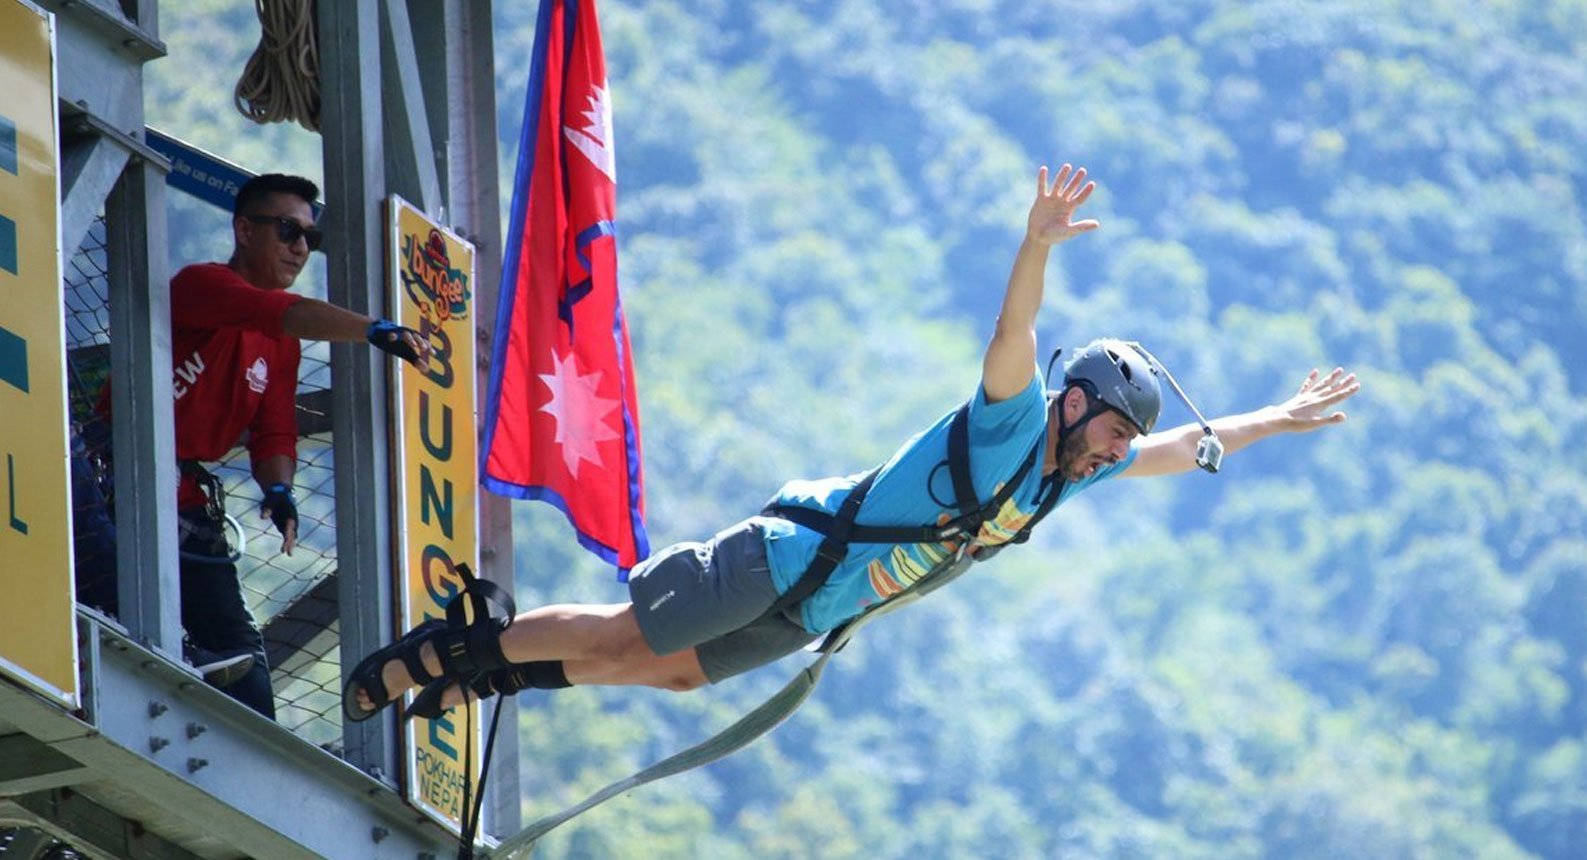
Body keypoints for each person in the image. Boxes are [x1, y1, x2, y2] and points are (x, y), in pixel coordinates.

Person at [344, 164, 1360, 719]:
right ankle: (438, 651)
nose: (1116, 446)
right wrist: (1032, 246)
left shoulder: (1065, 481)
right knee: (627, 634)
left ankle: (493, 671)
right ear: (1073, 399)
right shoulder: (1010, 422)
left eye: (1120, 438)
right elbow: (1010, 337)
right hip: (796, 553)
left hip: (816, 608)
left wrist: (1278, 413)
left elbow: (1190, 442)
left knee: (671, 672)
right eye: (1109, 424)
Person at [75, 173, 431, 719]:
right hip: (112, 472)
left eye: (309, 238)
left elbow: (274, 429)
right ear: (244, 229)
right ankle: (166, 678)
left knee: (246, 667)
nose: (300, 248)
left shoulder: (279, 343)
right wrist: (373, 330)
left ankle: (230, 742)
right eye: (289, 230)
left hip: (187, 497)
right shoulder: (203, 287)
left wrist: (280, 487)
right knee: (126, 605)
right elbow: (277, 312)